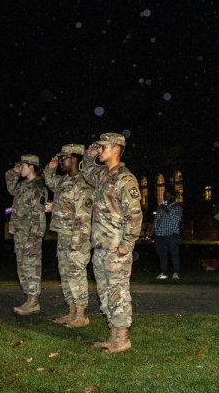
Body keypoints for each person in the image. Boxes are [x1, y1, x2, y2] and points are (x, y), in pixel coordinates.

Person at [84, 132, 142, 353]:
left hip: (116, 248)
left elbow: (134, 214)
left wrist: (127, 244)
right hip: (100, 246)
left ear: (116, 149)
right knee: (105, 293)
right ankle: (114, 336)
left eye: (102, 147)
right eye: (98, 147)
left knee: (118, 293)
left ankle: (123, 338)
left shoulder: (125, 179)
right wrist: (88, 156)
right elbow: (87, 172)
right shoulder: (102, 175)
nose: (99, 150)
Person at [44, 144, 94, 327]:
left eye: (63, 158)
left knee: (77, 274)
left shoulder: (83, 184)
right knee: (65, 274)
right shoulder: (63, 181)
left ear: (74, 159)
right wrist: (50, 166)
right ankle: (71, 312)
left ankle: (81, 315)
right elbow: (48, 179)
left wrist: (77, 244)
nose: (60, 162)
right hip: (63, 235)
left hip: (77, 237)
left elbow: (83, 218)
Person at [5, 154, 48, 315]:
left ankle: (33, 301)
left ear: (31, 167)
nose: (20, 168)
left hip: (31, 235)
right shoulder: (22, 186)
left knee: (32, 267)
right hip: (20, 233)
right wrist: (14, 172)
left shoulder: (38, 188)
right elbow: (10, 187)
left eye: (22, 166)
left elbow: (39, 215)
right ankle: (29, 300)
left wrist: (35, 236)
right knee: (22, 267)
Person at [152, 189, 182, 280]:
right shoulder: (160, 207)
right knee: (162, 254)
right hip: (159, 234)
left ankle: (175, 273)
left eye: (168, 196)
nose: (166, 198)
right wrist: (154, 231)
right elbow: (156, 219)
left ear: (172, 197)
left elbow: (176, 220)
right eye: (165, 196)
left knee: (173, 254)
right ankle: (164, 273)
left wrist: (166, 210)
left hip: (171, 234)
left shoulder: (177, 207)